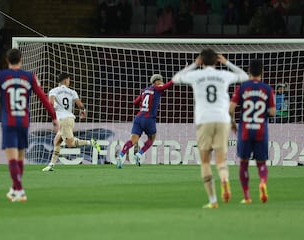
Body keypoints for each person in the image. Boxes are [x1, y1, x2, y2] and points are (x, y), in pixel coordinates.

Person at [172, 48, 248, 208]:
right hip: (222, 119)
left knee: (205, 162)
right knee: (221, 160)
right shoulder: (223, 75)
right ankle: (225, 180)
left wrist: (193, 64)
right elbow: (245, 77)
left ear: (201, 61)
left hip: (204, 120)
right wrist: (226, 62)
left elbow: (176, 78)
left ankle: (213, 201)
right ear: (216, 61)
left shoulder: (196, 75)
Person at [0, 48, 59, 202]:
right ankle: (14, 188)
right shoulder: (29, 76)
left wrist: (1, 92)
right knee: (20, 157)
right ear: (21, 59)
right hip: (24, 121)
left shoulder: (1, 75)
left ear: (7, 60)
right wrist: (53, 117)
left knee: (12, 158)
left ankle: (19, 189)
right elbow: (43, 97)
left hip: (9, 121)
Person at [229, 59, 276, 204]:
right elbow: (273, 112)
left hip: (245, 129)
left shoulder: (243, 88)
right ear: (262, 72)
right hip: (261, 129)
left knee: (244, 163)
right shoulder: (267, 89)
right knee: (261, 163)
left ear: (249, 71)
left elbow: (230, 109)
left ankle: (247, 196)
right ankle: (262, 182)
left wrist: (233, 123)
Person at [42, 73, 101, 172]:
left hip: (63, 120)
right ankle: (51, 165)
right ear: (65, 81)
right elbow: (80, 105)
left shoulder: (53, 91)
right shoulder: (72, 92)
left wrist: (52, 114)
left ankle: (91, 142)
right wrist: (83, 112)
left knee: (70, 143)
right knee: (57, 141)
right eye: (69, 80)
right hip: (69, 119)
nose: (69, 82)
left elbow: (51, 103)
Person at [116, 73, 174, 168]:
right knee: (152, 138)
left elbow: (134, 102)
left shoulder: (144, 91)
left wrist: (141, 105)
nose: (162, 82)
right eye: (161, 80)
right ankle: (139, 154)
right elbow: (170, 84)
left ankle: (120, 156)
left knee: (133, 140)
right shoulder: (157, 88)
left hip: (138, 118)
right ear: (157, 81)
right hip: (149, 119)